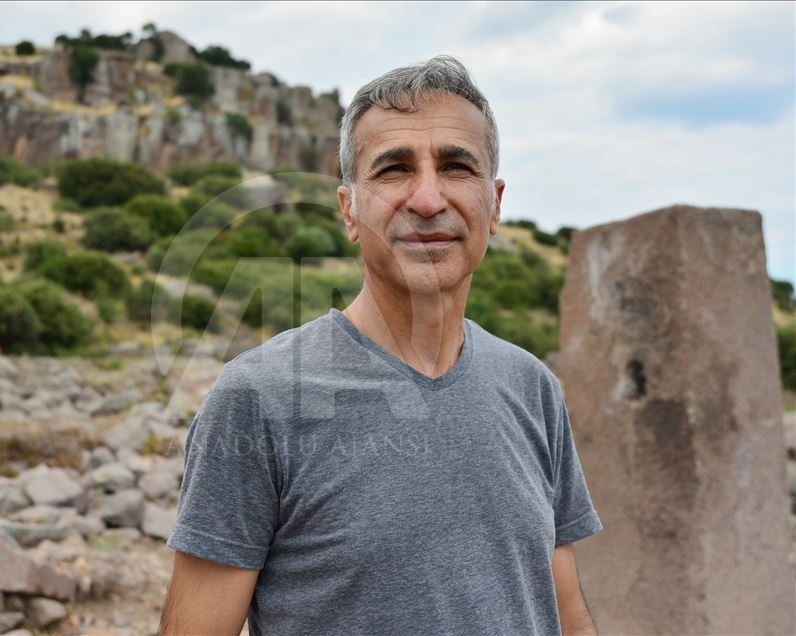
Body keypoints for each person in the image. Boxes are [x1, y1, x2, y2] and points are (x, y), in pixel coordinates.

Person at [159, 55, 603, 635]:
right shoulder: (259, 398)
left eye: (456, 167)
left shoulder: (533, 387)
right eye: (394, 169)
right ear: (349, 210)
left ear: (495, 205)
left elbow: (567, 614)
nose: (428, 200)